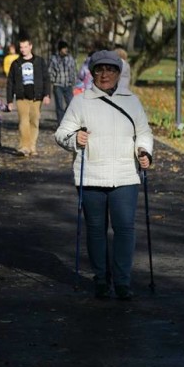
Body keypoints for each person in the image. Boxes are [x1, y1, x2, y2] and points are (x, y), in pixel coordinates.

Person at [54, 50, 153, 301]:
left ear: (119, 73)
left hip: (125, 175)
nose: (105, 74)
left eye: (110, 69)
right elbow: (61, 133)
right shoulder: (81, 101)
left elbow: (144, 132)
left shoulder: (132, 100)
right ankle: (100, 279)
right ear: (92, 72)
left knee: (124, 229)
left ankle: (122, 282)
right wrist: (75, 138)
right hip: (92, 176)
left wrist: (144, 151)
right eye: (99, 69)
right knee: (96, 230)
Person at [6, 36, 51, 157]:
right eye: (21, 47)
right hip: (21, 96)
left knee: (34, 121)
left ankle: (32, 146)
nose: (23, 49)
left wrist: (47, 94)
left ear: (30, 46)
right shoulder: (16, 63)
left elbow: (46, 78)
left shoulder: (39, 61)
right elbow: (10, 82)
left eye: (25, 46)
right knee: (23, 121)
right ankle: (24, 147)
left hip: (37, 96)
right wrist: (9, 100)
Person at [49, 40, 78, 125]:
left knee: (71, 104)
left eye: (66, 48)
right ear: (60, 49)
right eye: (64, 48)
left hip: (68, 85)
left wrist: (73, 82)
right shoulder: (54, 59)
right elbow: (50, 71)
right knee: (59, 106)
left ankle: (67, 121)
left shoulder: (70, 58)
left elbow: (73, 71)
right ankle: (60, 125)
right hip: (58, 85)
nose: (66, 50)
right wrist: (53, 81)